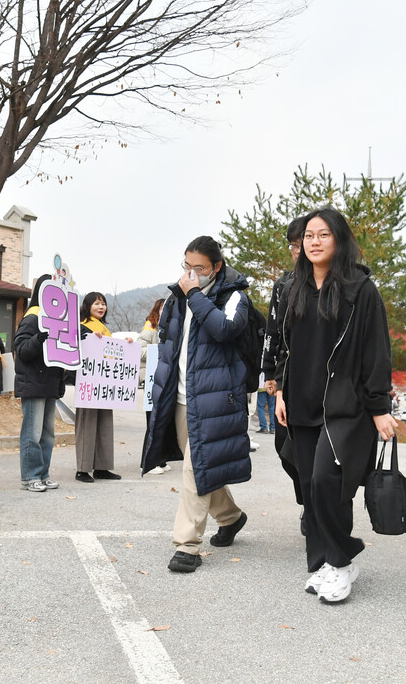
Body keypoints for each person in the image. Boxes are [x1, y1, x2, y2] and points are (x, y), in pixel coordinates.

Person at [275, 208, 396, 604]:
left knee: (330, 481)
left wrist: (379, 406)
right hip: (300, 400)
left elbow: (377, 351)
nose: (314, 242)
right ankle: (321, 564)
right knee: (309, 485)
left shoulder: (361, 291)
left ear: (339, 240)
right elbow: (283, 345)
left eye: (323, 234)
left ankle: (341, 562)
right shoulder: (293, 286)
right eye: (309, 235)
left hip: (345, 405)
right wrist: (279, 391)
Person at [142, 236, 252, 574]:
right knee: (202, 465)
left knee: (193, 470)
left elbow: (225, 329)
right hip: (179, 399)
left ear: (216, 267)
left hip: (215, 400)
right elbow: (169, 344)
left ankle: (187, 546)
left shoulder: (234, 296)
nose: (191, 273)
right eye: (186, 266)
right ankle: (231, 517)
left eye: (199, 268)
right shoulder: (176, 300)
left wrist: (193, 295)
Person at [263, 216, 307, 531]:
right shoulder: (285, 284)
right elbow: (272, 333)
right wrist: (270, 373)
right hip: (288, 377)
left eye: (301, 242)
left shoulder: (338, 282)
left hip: (326, 381)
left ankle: (318, 506)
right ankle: (306, 497)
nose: (297, 250)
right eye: (293, 244)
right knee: (285, 446)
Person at [13, 275, 65, 492]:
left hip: (50, 383)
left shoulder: (59, 320)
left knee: (47, 433)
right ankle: (30, 476)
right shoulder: (33, 317)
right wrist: (39, 338)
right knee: (32, 433)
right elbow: (21, 349)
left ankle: (43, 474)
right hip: (34, 383)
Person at [74, 292, 122, 482]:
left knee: (104, 424)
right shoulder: (80, 327)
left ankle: (102, 467)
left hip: (104, 383)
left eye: (103, 304)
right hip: (88, 382)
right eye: (96, 303)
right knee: (87, 423)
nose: (101, 307)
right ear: (87, 306)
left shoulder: (104, 328)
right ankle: (82, 469)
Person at [138, 299, 171, 475]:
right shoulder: (150, 328)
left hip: (165, 379)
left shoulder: (169, 330)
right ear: (157, 310)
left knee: (163, 420)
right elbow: (138, 350)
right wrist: (157, 351)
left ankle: (160, 459)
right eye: (163, 308)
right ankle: (147, 461)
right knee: (152, 420)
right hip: (152, 380)